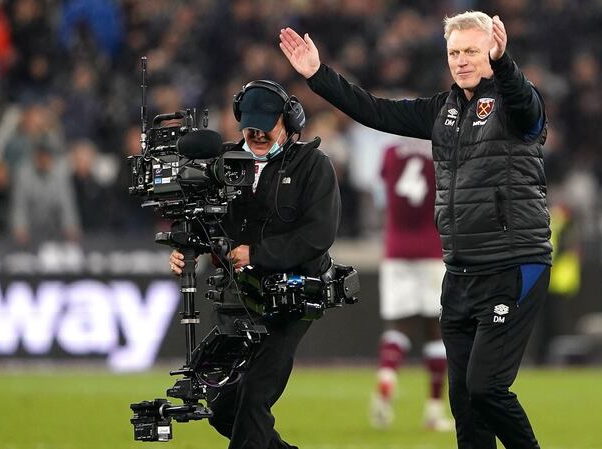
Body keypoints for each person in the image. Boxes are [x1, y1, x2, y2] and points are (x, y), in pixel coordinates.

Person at [280, 11, 552, 449]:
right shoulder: (443, 110)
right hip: (459, 271)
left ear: (492, 51)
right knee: (464, 403)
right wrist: (317, 75)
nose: (461, 60)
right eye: (454, 52)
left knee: (486, 388)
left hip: (512, 264)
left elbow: (527, 105)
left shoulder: (514, 103)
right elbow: (375, 110)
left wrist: (505, 65)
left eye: (472, 51)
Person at [170, 79, 341, 449]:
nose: (258, 133)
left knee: (253, 396)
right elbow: (201, 221)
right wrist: (185, 250)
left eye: (266, 124)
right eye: (250, 126)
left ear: (289, 121)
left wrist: (257, 254)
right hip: (238, 298)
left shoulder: (313, 165)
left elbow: (319, 235)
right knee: (223, 408)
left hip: (291, 299)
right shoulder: (220, 165)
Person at [371, 137, 453, 432]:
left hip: (396, 249)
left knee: (398, 326)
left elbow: (381, 192)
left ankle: (387, 377)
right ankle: (433, 410)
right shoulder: (441, 148)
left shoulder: (390, 151)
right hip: (432, 248)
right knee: (436, 331)